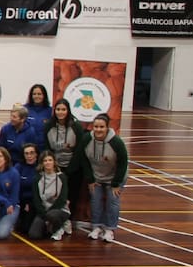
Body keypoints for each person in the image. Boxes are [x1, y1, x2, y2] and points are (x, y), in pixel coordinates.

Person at [78, 114, 128, 243]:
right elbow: (83, 159)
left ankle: (110, 229)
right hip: (97, 176)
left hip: (115, 176)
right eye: (96, 126)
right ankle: (96, 227)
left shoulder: (116, 142)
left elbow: (123, 163)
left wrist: (116, 183)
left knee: (112, 200)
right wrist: (90, 178)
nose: (98, 130)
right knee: (95, 200)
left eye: (101, 127)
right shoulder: (86, 140)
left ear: (107, 128)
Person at [44, 98, 85, 236]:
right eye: (58, 109)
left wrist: (70, 169)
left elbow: (79, 149)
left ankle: (67, 221)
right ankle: (57, 222)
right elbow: (47, 148)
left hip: (73, 169)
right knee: (56, 197)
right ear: (54, 111)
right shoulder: (48, 126)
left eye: (63, 109)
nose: (60, 112)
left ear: (68, 111)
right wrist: (54, 167)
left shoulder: (76, 127)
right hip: (55, 167)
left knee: (70, 197)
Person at [31, 150, 70, 241]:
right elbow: (36, 199)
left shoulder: (62, 177)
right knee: (34, 235)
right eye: (45, 161)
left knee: (52, 215)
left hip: (59, 210)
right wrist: (44, 214)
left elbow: (62, 199)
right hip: (44, 211)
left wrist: (48, 214)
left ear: (54, 162)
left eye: (50, 160)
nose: (48, 163)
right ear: (42, 163)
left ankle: (60, 227)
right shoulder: (37, 178)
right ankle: (50, 226)